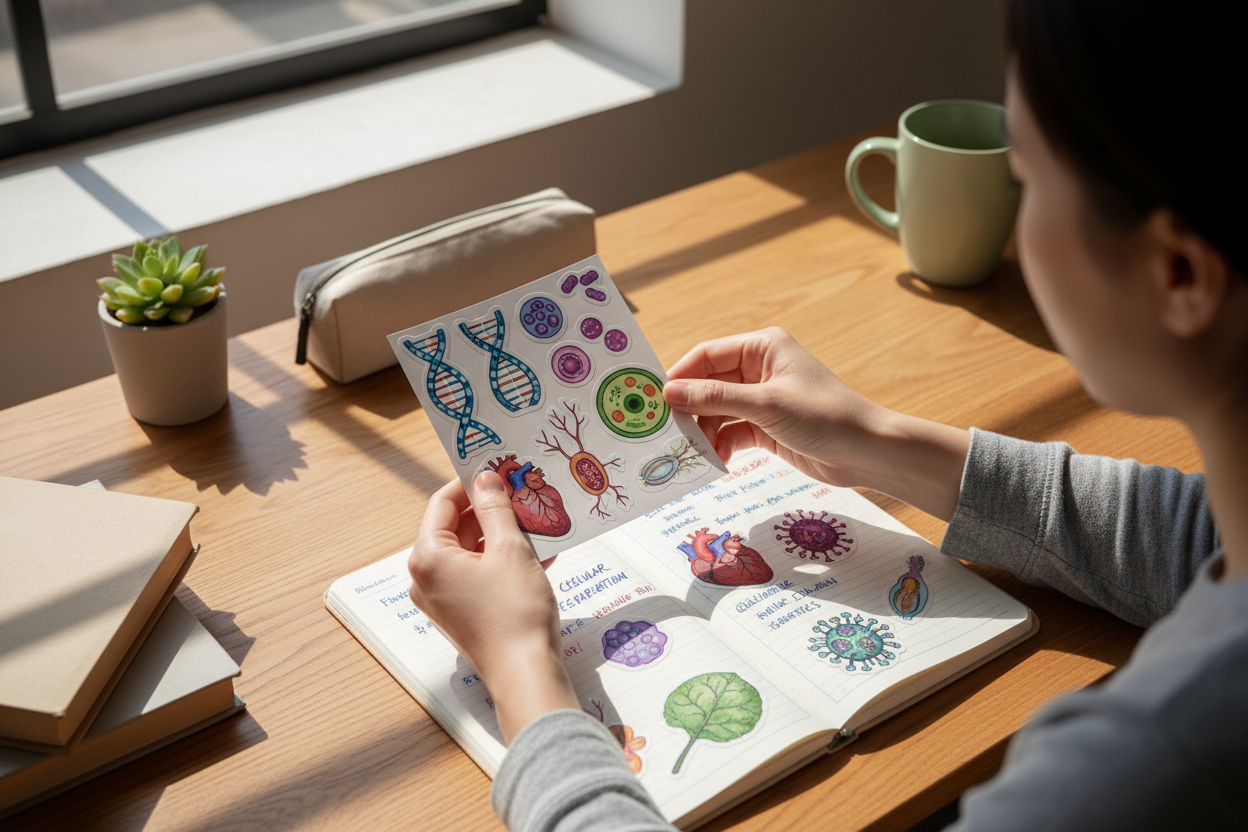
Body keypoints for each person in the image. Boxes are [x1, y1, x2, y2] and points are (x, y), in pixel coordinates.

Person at [407, 0, 1248, 828]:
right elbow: (1198, 538)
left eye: (1025, 178)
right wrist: (879, 442)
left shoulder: (1141, 770)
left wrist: (522, 669)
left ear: (1179, 274)